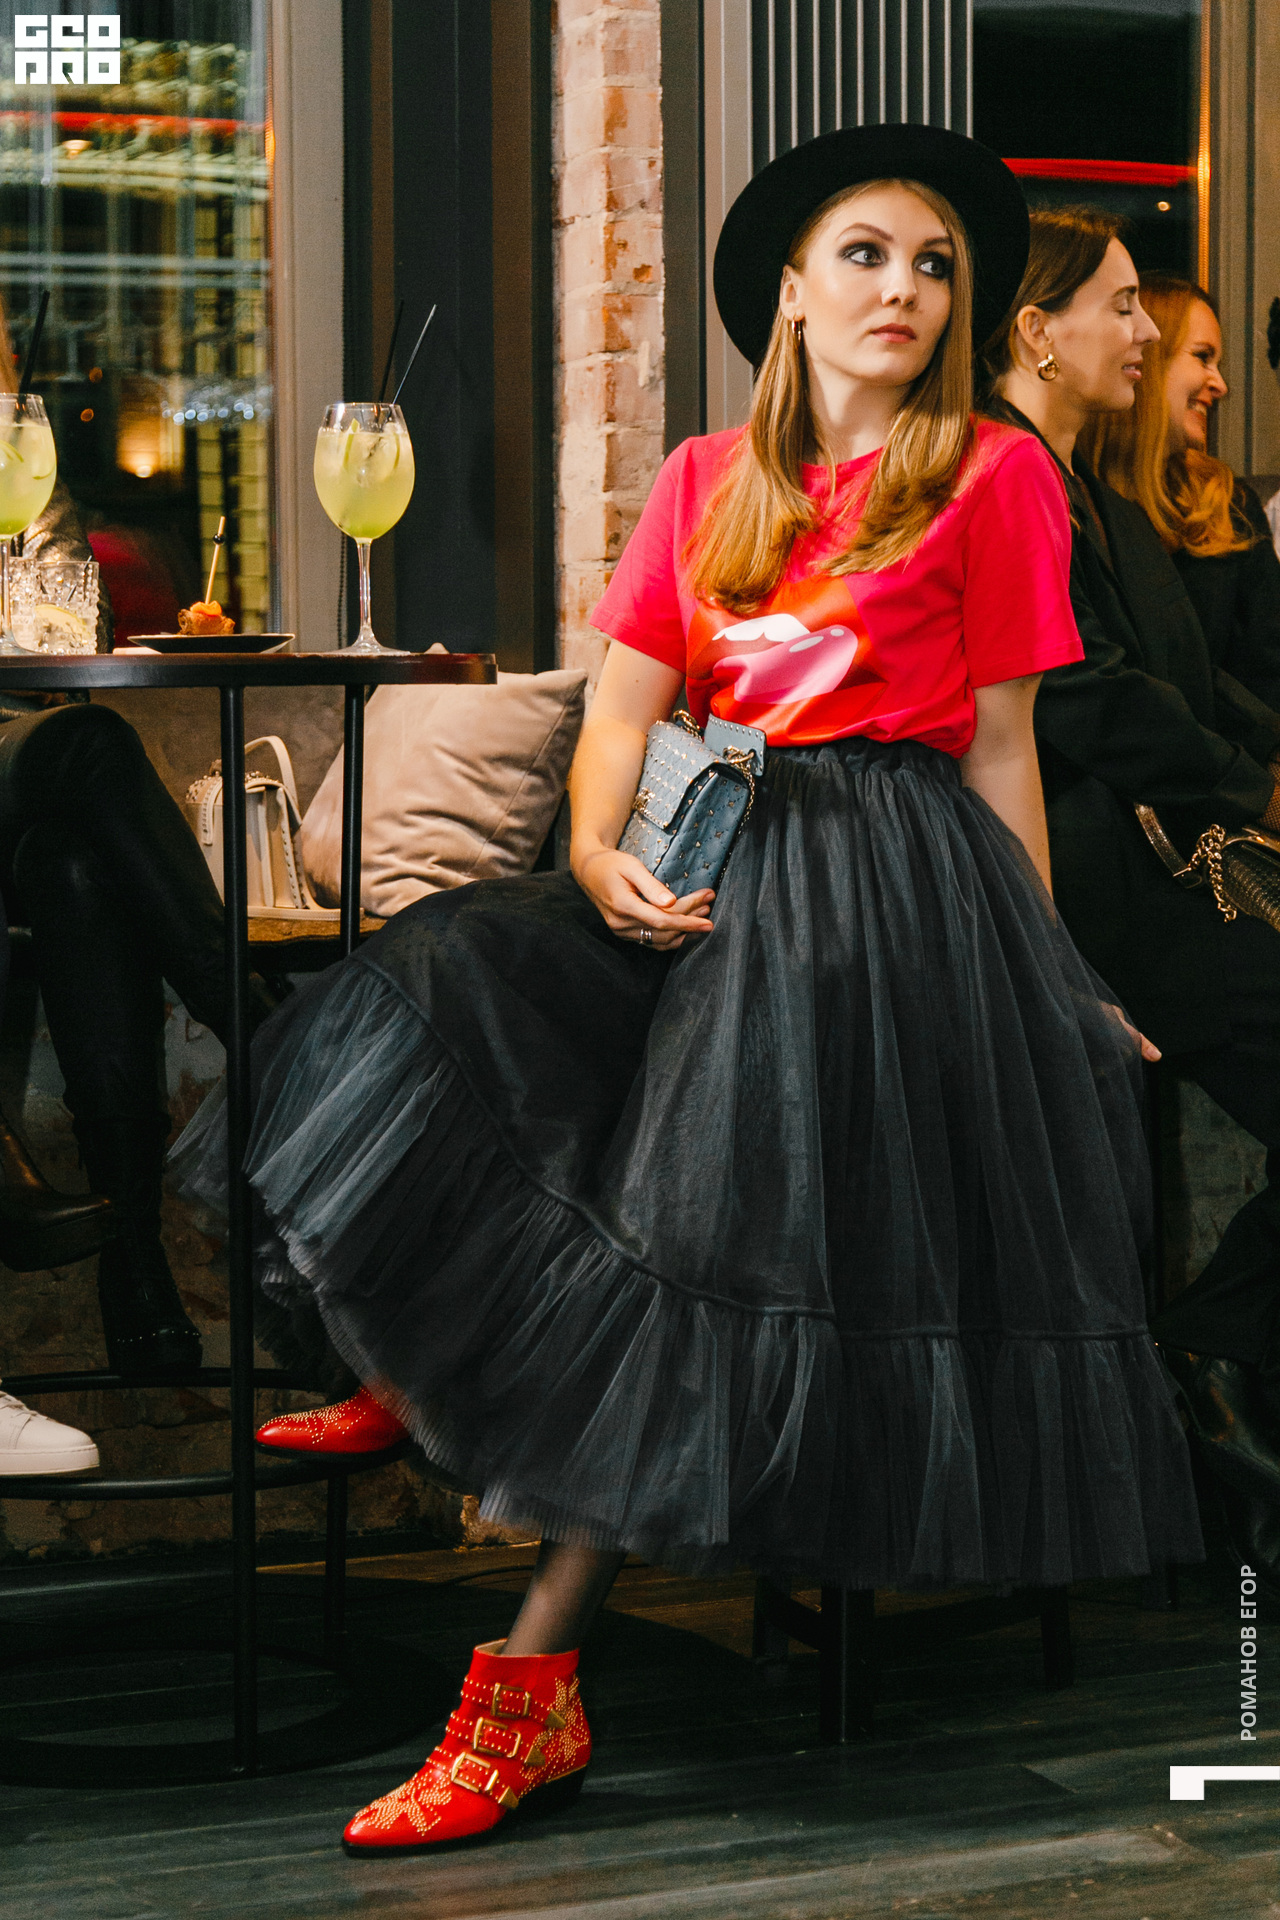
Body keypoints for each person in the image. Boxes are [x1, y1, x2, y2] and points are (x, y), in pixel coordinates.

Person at [176, 128, 1200, 1855]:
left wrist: (1050, 977)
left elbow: (1003, 754)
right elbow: (624, 711)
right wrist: (590, 858)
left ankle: (527, 1686)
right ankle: (421, 1363)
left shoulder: (994, 478)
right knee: (440, 970)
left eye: (935, 265)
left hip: (884, 889)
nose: (903, 289)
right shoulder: (711, 479)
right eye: (865, 254)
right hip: (700, 857)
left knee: (703, 1224)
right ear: (791, 291)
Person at [984, 217, 1280, 1568]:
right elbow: (1083, 695)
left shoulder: (1083, 487)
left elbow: (1184, 680)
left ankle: (1203, 1362)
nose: (1148, 333)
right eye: (1120, 306)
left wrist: (1260, 769)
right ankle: (1200, 1358)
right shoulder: (1007, 473)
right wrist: (1253, 794)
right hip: (1100, 899)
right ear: (1036, 330)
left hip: (1159, 877)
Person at [0, 296, 275, 1376]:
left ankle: (133, 1262)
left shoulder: (21, 465)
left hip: (20, 776)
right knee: (90, 745)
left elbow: (71, 622)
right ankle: (263, 1028)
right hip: (31, 751)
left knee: (75, 869)